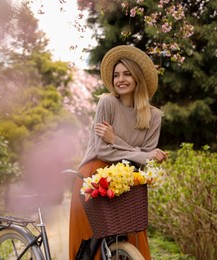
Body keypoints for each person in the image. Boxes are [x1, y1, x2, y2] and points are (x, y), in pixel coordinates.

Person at [69, 45, 168, 260]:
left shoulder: (154, 116)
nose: (120, 79)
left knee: (132, 235)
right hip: (94, 176)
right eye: (116, 75)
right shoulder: (107, 103)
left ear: (137, 78)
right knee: (90, 244)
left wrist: (116, 140)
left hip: (129, 177)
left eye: (127, 74)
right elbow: (103, 150)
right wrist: (139, 153)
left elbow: (146, 158)